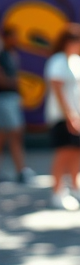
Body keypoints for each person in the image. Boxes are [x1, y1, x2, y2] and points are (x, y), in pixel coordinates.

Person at [44, 23, 80, 210]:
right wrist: (70, 116)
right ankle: (57, 192)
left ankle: (75, 188)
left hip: (79, 116)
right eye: (75, 40)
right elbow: (58, 90)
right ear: (65, 41)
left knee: (78, 150)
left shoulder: (78, 61)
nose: (79, 44)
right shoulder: (57, 61)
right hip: (61, 117)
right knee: (63, 152)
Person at [0, 25, 32, 183]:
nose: (16, 39)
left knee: (8, 135)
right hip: (5, 100)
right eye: (13, 36)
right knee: (14, 134)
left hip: (11, 99)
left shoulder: (12, 54)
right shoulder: (2, 55)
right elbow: (2, 80)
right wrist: (15, 83)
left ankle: (20, 170)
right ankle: (21, 171)